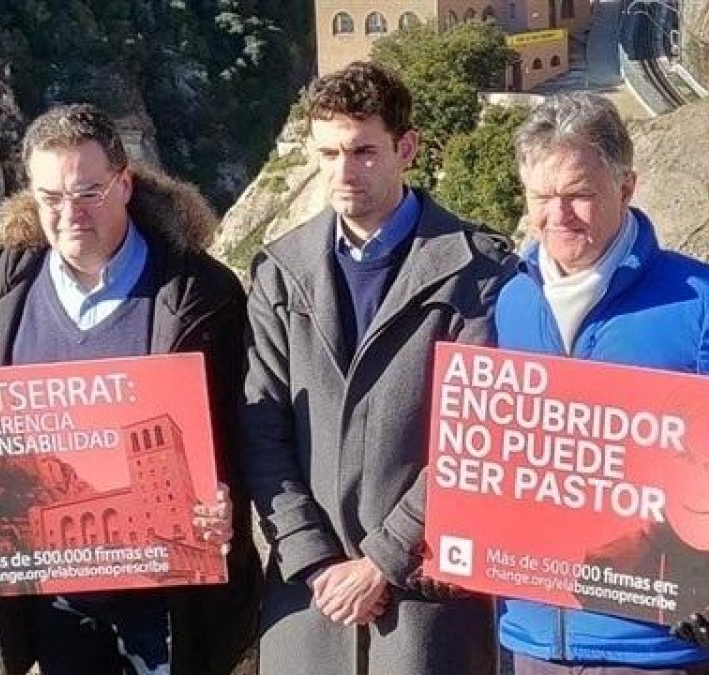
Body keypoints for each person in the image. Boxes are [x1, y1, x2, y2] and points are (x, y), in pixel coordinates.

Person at [0, 104, 262, 675]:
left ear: (125, 183)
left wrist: (226, 506)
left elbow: (246, 430)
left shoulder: (201, 291)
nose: (70, 215)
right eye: (50, 198)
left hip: (168, 602)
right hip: (53, 604)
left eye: (88, 193)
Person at [493, 92, 709, 674]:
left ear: (627, 186)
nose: (557, 217)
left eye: (579, 195)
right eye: (541, 197)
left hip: (657, 650)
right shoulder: (508, 303)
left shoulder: (701, 305)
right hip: (534, 646)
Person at [238, 60, 515, 675]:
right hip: (311, 603)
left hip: (428, 601)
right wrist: (313, 558)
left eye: (363, 151)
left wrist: (380, 562)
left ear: (406, 148)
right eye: (329, 152)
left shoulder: (479, 273)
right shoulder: (281, 272)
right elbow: (263, 430)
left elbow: (478, 443)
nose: (343, 172)